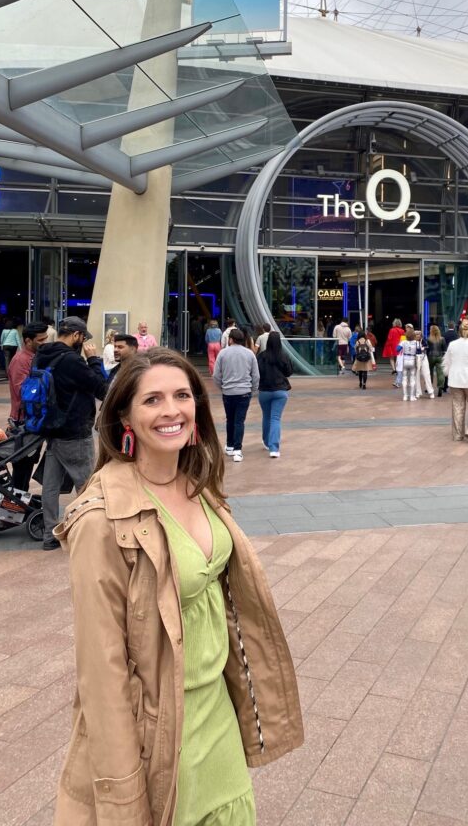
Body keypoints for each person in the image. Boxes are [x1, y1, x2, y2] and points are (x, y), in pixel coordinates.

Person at [52, 348, 303, 825]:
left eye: (182, 395)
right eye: (152, 400)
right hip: (161, 732)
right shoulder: (102, 519)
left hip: (218, 717)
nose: (171, 411)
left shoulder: (198, 485)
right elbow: (100, 673)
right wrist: (123, 795)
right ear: (123, 414)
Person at [35, 317, 109, 550]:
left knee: (50, 486)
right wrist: (94, 360)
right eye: (83, 338)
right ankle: (90, 534)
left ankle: (49, 535)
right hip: (75, 431)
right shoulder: (72, 361)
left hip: (52, 429)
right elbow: (101, 388)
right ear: (76, 335)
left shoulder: (42, 355)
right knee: (87, 486)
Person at [212, 328, 259, 463]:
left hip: (228, 392)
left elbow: (216, 375)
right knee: (239, 421)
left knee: (230, 419)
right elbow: (256, 375)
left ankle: (230, 445)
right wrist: (253, 389)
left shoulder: (223, 354)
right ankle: (238, 450)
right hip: (244, 392)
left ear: (231, 339)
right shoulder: (250, 354)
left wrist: (222, 386)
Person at [257, 331, 292, 457]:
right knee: (275, 418)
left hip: (264, 391)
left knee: (266, 416)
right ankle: (274, 448)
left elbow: (257, 372)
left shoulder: (261, 356)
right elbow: (289, 372)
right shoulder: (283, 356)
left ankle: (266, 442)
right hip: (280, 390)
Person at [8, 322, 50, 423]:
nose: (45, 342)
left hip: (36, 416)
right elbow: (23, 391)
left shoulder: (37, 356)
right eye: (41, 340)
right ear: (28, 341)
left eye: (46, 338)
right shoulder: (20, 360)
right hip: (25, 419)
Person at [413, 329, 435, 398]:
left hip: (423, 358)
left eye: (419, 334)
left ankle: (431, 391)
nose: (418, 335)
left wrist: (424, 348)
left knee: (427, 374)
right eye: (416, 334)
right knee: (416, 376)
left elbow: (428, 347)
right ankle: (418, 392)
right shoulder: (412, 342)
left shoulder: (423, 340)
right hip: (416, 359)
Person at [426, 325, 446, 397]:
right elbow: (444, 350)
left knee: (429, 372)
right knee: (440, 373)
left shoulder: (429, 339)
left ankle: (429, 387)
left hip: (431, 357)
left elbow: (427, 349)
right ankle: (440, 387)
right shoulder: (442, 339)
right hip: (440, 356)